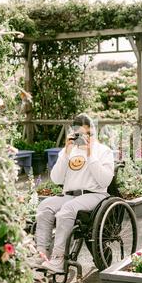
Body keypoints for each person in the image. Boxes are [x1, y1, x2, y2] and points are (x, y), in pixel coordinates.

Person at [35, 114, 114, 273]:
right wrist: (65, 153)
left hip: (95, 195)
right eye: (81, 134)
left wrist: (91, 154)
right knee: (44, 206)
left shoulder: (103, 151)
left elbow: (104, 181)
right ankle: (41, 254)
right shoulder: (69, 151)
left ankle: (58, 259)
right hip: (70, 196)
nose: (86, 138)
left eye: (89, 134)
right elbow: (56, 178)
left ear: (94, 131)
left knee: (67, 210)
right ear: (74, 133)